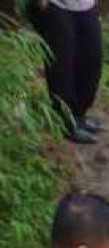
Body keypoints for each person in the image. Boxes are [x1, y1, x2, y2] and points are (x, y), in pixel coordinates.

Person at [27, 0, 103, 143]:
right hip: (57, 7)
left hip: (87, 6)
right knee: (61, 69)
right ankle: (65, 123)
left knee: (91, 63)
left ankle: (79, 116)